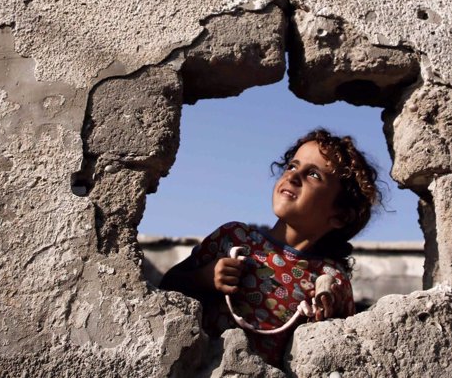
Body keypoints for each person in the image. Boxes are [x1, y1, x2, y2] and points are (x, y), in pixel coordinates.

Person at [160, 128, 383, 365]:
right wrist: (205, 277)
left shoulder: (331, 278)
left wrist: (322, 316)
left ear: (340, 215)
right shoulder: (233, 238)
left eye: (314, 175)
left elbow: (340, 352)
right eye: (292, 166)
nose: (293, 177)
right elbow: (168, 286)